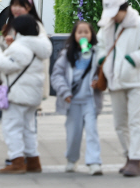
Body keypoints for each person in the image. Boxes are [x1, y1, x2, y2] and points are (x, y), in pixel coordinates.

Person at [96, 0, 140, 177]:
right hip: (114, 79)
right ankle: (129, 156)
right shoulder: (107, 25)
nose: (113, 16)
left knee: (136, 121)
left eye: (116, 12)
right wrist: (101, 61)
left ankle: (136, 160)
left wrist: (130, 60)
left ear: (124, 8)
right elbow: (100, 46)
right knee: (119, 123)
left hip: (136, 80)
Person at [0, 14, 52, 174]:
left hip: (18, 96)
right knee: (28, 128)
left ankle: (16, 161)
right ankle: (33, 161)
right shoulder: (36, 46)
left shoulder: (20, 48)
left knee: (12, 128)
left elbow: (4, 64)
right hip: (31, 96)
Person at [51, 21, 104, 176]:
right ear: (74, 36)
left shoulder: (97, 53)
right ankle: (72, 160)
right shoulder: (66, 54)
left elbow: (102, 72)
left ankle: (94, 162)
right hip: (72, 100)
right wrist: (64, 91)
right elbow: (57, 75)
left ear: (91, 35)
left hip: (90, 100)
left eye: (86, 32)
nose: (83, 35)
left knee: (92, 131)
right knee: (73, 133)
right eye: (79, 32)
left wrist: (98, 80)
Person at [0, 0, 50, 99]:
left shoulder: (35, 27)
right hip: (10, 84)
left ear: (29, 7)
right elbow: (1, 53)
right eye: (14, 5)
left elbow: (41, 55)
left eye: (21, 5)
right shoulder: (10, 27)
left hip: (29, 86)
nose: (16, 8)